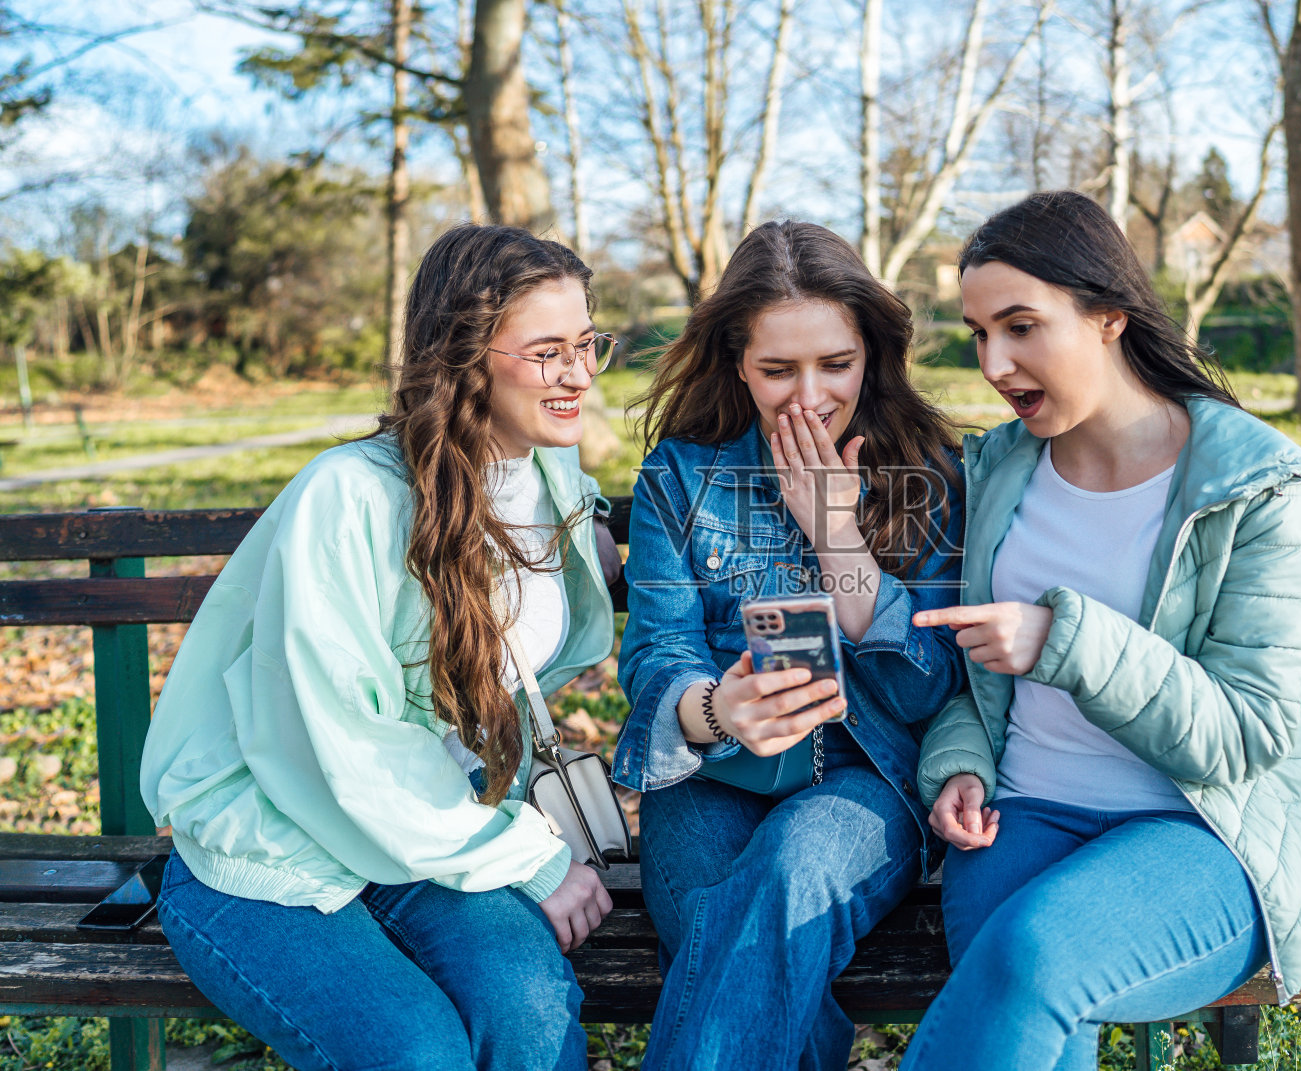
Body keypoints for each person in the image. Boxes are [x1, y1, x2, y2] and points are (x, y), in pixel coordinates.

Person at [141, 224, 619, 1071]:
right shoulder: (350, 496)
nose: (579, 374)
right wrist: (531, 859)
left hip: (427, 831)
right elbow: (347, 747)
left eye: (587, 344)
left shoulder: (552, 476)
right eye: (547, 352)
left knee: (530, 1018)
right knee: (418, 1051)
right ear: (464, 356)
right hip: (273, 840)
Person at [900, 190, 1301, 1071]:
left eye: (1021, 326)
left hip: (1201, 833)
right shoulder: (994, 470)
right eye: (979, 333)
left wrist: (1066, 644)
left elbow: (1247, 731)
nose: (994, 362)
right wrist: (959, 764)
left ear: (1109, 315)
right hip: (1019, 815)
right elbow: (972, 679)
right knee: (1030, 994)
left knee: (1033, 955)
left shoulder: (1255, 489)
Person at [612, 220, 966, 1071]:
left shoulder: (932, 471)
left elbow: (926, 691)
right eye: (778, 370)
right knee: (734, 926)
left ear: (872, 354)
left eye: (835, 363)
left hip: (868, 776)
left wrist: (838, 537)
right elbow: (657, 651)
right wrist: (713, 709)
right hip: (712, 775)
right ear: (737, 361)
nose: (808, 396)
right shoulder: (681, 475)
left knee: (790, 871)